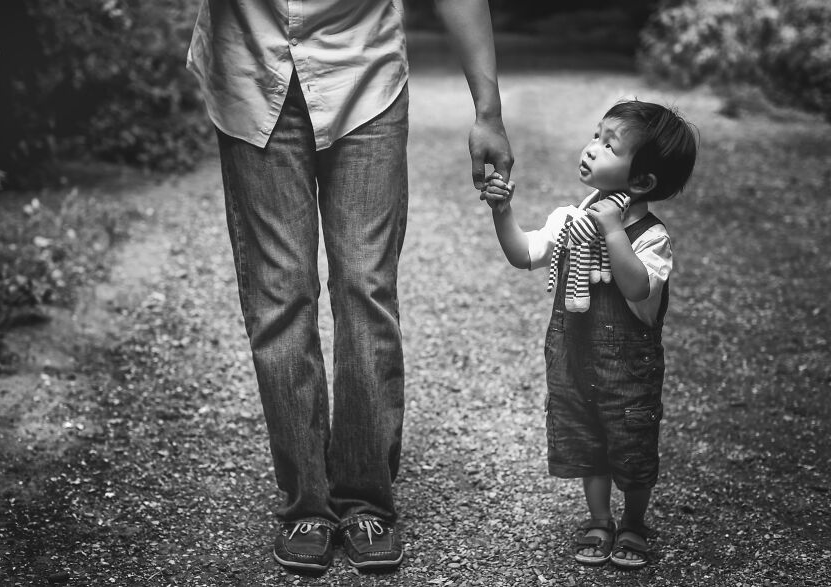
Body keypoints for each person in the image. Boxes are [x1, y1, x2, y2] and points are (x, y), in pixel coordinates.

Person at [186, 0, 513, 573]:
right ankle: (306, 504)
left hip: (365, 78)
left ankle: (366, 500)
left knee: (365, 285)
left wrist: (488, 109)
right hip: (250, 73)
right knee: (279, 293)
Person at [481, 100, 697, 568]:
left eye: (609, 145)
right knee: (590, 445)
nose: (592, 148)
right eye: (596, 136)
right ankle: (599, 519)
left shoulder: (650, 238)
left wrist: (613, 230)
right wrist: (503, 210)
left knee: (633, 449)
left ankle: (634, 523)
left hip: (628, 374)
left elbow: (638, 285)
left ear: (641, 182)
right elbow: (524, 253)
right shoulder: (570, 221)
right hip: (575, 363)